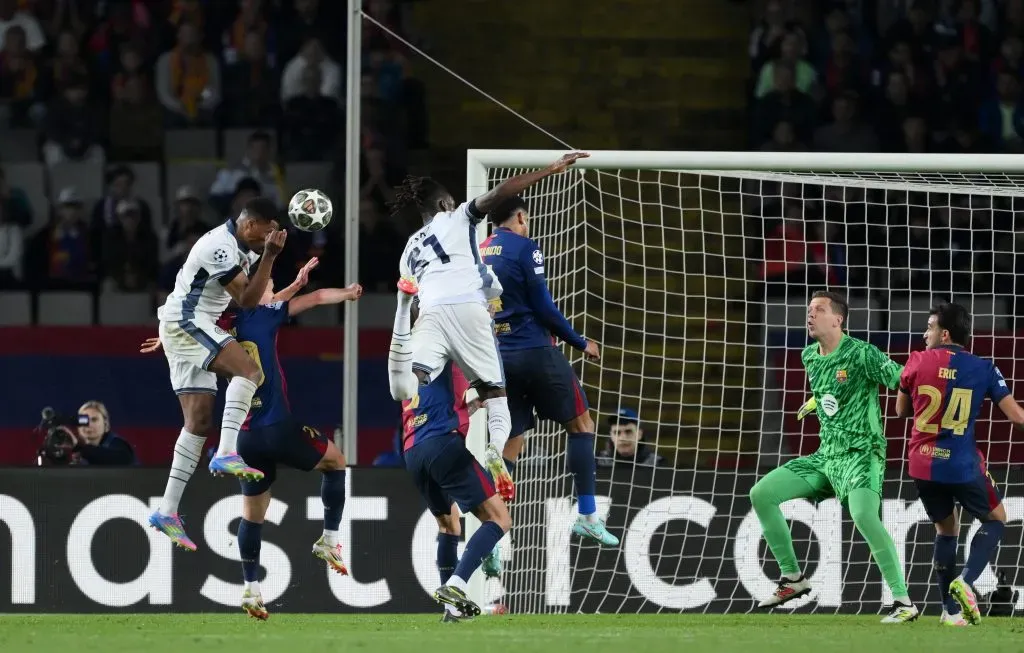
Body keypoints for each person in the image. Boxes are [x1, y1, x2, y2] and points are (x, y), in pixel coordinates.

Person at [141, 265, 363, 619]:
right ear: (258, 293)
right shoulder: (266, 317)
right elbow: (318, 298)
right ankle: (330, 539)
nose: (271, 288)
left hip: (245, 439)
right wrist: (348, 293)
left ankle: (250, 589)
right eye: (269, 285)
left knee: (253, 515)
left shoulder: (223, 326)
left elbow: (198, 329)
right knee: (336, 462)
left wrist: (166, 339)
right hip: (277, 427)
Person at [386, 151, 590, 507]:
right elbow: (502, 191)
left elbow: (417, 301)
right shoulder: (457, 216)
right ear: (446, 202)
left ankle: (407, 375)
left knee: (412, 383)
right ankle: (495, 452)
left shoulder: (409, 249)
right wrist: (550, 169)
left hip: (430, 316)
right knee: (496, 396)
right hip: (469, 310)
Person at [748, 290, 919, 623]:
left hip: (860, 454)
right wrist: (815, 403)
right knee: (761, 494)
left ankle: (903, 602)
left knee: (864, 516)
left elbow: (903, 378)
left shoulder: (862, 353)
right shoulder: (809, 356)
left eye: (819, 309)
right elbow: (830, 391)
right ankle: (793, 579)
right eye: (809, 309)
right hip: (826, 457)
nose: (810, 314)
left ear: (837, 319)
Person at [147, 197, 285, 551]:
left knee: (198, 421)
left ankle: (166, 510)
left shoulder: (245, 246)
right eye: (266, 232)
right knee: (249, 371)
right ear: (249, 224)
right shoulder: (219, 247)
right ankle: (226, 452)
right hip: (188, 323)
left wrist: (171, 339)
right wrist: (270, 255)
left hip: (185, 327)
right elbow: (248, 300)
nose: (268, 239)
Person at [479, 195, 617, 550]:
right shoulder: (525, 248)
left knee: (511, 442)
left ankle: (493, 535)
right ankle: (587, 516)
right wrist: (579, 341)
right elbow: (543, 306)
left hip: (500, 357)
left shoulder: (478, 249)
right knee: (582, 426)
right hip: (536, 351)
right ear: (521, 216)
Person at [895, 302, 1024, 626]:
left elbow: (900, 412)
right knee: (996, 519)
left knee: (946, 528)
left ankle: (950, 612)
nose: (925, 334)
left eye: (930, 328)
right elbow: (1017, 417)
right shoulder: (984, 368)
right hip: (962, 465)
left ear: (945, 333)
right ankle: (965, 581)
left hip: (922, 464)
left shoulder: (915, 362)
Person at [398, 291, 511, 622]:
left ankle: (450, 609)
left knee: (449, 526)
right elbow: (481, 371)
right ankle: (458, 585)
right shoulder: (446, 341)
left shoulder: (408, 351)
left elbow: (443, 399)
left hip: (412, 449)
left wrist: (471, 405)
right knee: (499, 519)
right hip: (443, 444)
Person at [71, 400, 137, 465]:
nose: (89, 424)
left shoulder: (118, 444)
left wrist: (83, 449)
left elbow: (122, 460)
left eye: (94, 420)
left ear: (105, 423)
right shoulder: (75, 450)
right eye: (84, 420)